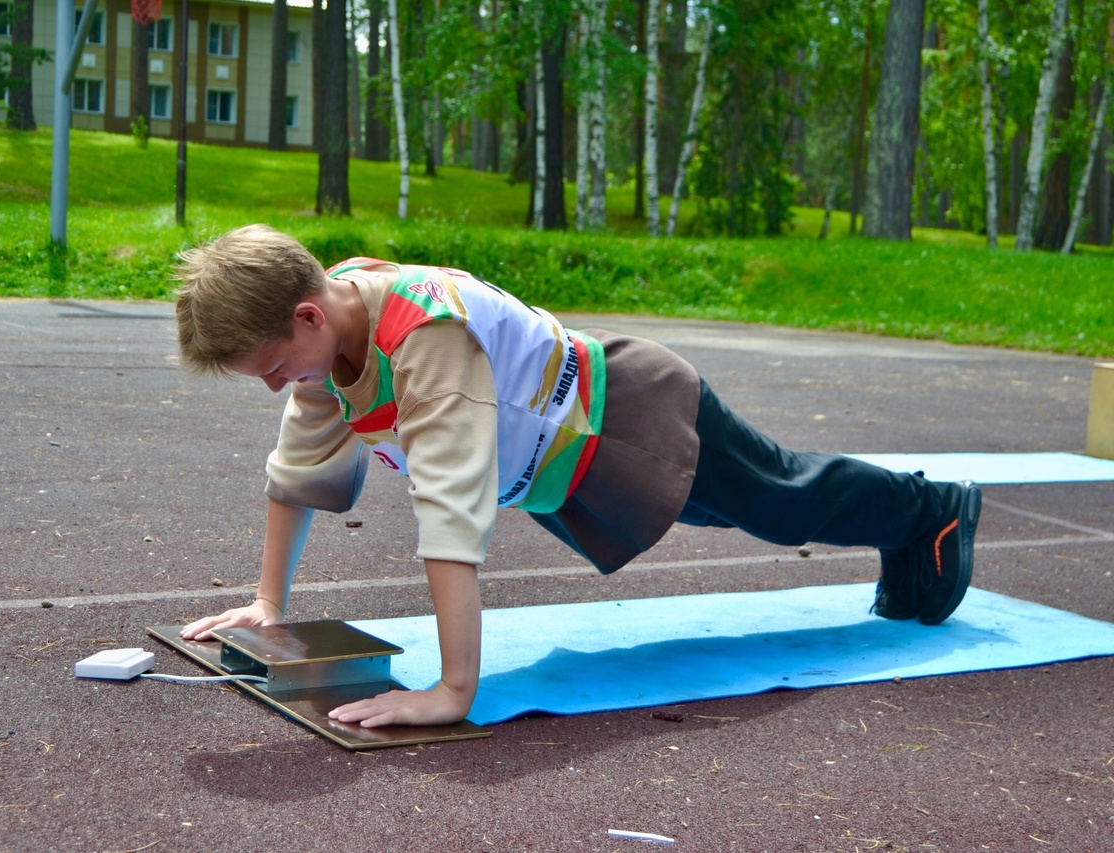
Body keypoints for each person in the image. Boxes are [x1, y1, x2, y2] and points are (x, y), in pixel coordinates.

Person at [174, 224, 981, 729]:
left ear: (308, 315)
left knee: (781, 502)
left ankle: (933, 509)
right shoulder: (328, 330)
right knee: (747, 508)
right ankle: (912, 521)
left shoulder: (425, 340)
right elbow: (300, 466)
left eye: (274, 366)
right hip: (575, 466)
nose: (276, 386)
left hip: (635, 417)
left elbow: (450, 513)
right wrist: (268, 602)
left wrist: (453, 690)